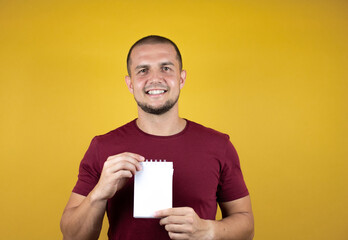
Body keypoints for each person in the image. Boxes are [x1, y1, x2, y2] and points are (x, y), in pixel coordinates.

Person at [60, 35, 254, 240]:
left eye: (166, 68)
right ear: (130, 83)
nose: (155, 79)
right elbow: (72, 237)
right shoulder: (103, 147)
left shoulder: (218, 145)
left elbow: (246, 226)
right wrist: (98, 194)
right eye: (143, 70)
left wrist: (208, 230)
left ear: (181, 78)